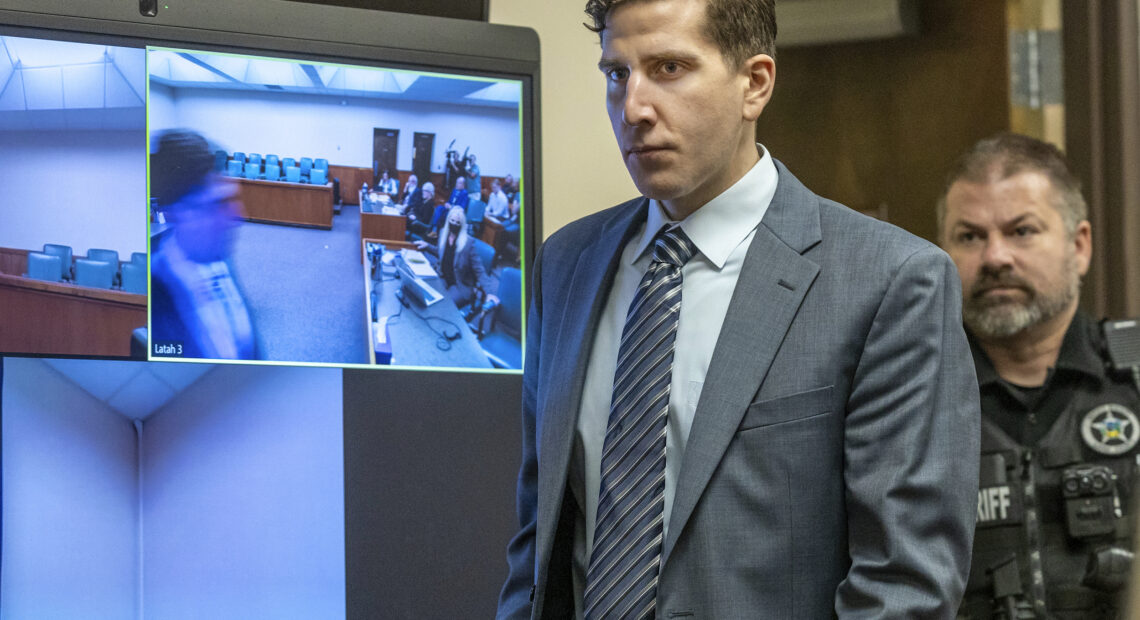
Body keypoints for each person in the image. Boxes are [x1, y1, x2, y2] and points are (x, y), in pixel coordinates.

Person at [497, 0, 980, 618]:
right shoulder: (566, 265)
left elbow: (906, 585)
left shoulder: (891, 283)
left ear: (755, 83)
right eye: (617, 73)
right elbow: (536, 543)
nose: (634, 108)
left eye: (669, 68)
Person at [939, 133, 1140, 619]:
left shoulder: (1132, 379)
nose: (995, 258)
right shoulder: (909, 394)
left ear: (1080, 246)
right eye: (970, 236)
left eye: (1022, 231)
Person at [149, 130, 259, 360]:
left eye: (230, 199)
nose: (235, 217)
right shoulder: (154, 297)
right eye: (214, 205)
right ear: (173, 212)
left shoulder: (219, 257)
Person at [413, 206, 495, 308]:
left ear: (462, 224)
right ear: (448, 220)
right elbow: (442, 254)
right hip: (443, 276)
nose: (454, 224)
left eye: (458, 223)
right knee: (426, 295)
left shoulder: (468, 243)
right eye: (452, 221)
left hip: (459, 283)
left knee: (444, 306)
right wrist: (427, 246)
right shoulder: (443, 233)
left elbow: (479, 270)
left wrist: (490, 292)